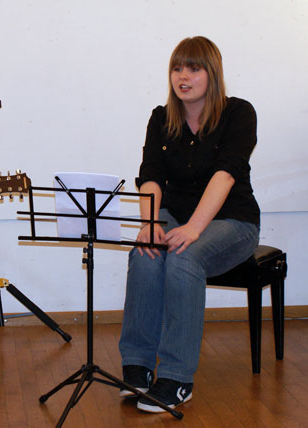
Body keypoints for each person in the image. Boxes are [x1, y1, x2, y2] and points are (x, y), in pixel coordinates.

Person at [118, 36, 260, 412]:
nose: (183, 76)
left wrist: (195, 228)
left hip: (232, 220)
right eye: (177, 68)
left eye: (193, 69)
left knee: (184, 256)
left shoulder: (239, 113)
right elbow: (150, 175)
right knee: (145, 252)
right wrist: (150, 222)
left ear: (212, 73)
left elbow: (226, 174)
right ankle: (137, 365)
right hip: (176, 214)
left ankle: (177, 378)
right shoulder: (161, 118)